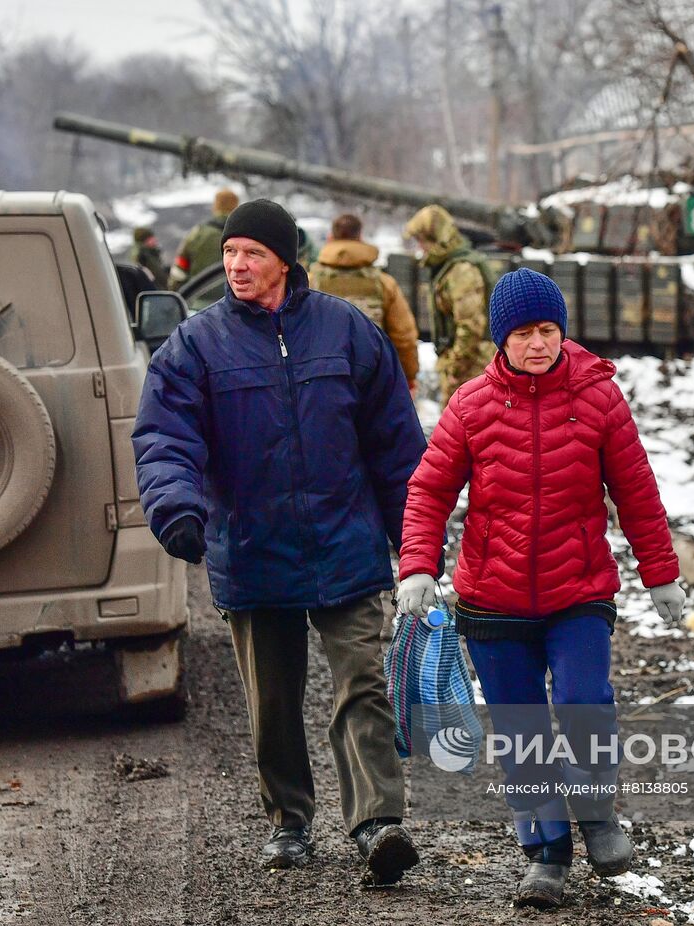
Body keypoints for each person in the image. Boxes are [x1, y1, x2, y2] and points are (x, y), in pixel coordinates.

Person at [133, 199, 425, 884]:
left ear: (285, 262)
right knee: (272, 698)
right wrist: (176, 505)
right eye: (230, 252)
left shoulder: (345, 330)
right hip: (254, 546)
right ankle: (290, 821)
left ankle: (377, 821)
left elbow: (395, 444)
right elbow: (164, 434)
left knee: (362, 683)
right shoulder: (197, 344)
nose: (235, 264)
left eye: (252, 254)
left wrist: (415, 546)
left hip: (345, 539)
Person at [393, 268, 686, 909]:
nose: (538, 344)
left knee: (586, 703)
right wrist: (419, 564)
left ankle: (597, 815)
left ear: (562, 332)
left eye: (548, 330)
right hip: (491, 599)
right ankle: (546, 855)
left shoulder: (600, 400)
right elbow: (429, 490)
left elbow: (637, 492)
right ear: (502, 338)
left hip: (577, 590)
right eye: (524, 332)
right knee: (521, 727)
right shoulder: (471, 405)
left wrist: (660, 573)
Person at [309, 213, 420, 396]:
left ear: (331, 238)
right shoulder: (384, 283)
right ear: (360, 237)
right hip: (373, 377)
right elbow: (403, 336)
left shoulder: (310, 281)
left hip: (322, 379)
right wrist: (408, 375)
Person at [403, 204, 496, 407]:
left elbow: (470, 325)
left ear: (435, 239)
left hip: (472, 369)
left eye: (422, 241)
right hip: (466, 367)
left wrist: (455, 367)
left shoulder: (461, 270)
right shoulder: (449, 267)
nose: (421, 248)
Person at [168, 188, 239, 289]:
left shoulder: (197, 234)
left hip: (200, 299)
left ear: (215, 206)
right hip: (236, 298)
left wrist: (176, 296)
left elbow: (179, 272)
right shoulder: (245, 233)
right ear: (236, 206)